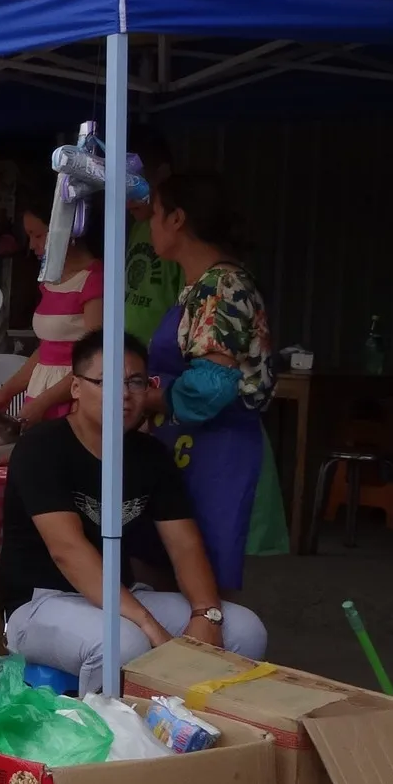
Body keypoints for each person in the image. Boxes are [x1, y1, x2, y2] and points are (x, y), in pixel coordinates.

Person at [0, 328, 267, 695]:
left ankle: (199, 726)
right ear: (76, 387)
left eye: (136, 382)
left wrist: (206, 613)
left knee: (246, 629)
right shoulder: (41, 447)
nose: (124, 395)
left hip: (122, 595)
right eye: (106, 382)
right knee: (124, 643)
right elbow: (68, 551)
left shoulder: (150, 455)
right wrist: (148, 624)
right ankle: (111, 731)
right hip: (41, 603)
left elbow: (185, 545)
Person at [146, 168, 284, 587]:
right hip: (188, 443)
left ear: (177, 219)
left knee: (204, 587)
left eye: (154, 214)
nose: (149, 225)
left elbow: (212, 385)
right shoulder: (199, 285)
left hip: (219, 452)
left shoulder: (221, 286)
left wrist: (149, 398)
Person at [0, 193, 103, 423]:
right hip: (41, 396)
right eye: (30, 236)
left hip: (73, 402)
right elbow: (46, 351)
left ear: (66, 229)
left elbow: (94, 360)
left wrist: (44, 402)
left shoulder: (94, 280)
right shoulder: (50, 281)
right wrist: (6, 392)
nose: (32, 245)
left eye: (38, 235)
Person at [123, 126, 183, 348]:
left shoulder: (178, 237)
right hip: (127, 352)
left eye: (135, 188)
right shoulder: (138, 227)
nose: (127, 202)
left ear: (162, 174)